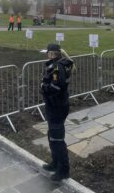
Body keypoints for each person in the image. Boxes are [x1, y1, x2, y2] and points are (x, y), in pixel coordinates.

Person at [41, 43, 73, 182]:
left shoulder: (57, 67)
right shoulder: (57, 64)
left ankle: (64, 170)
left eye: (47, 53)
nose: (46, 55)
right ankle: (55, 163)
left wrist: (44, 87)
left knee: (57, 139)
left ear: (52, 54)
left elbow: (56, 86)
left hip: (57, 106)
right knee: (52, 135)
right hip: (55, 105)